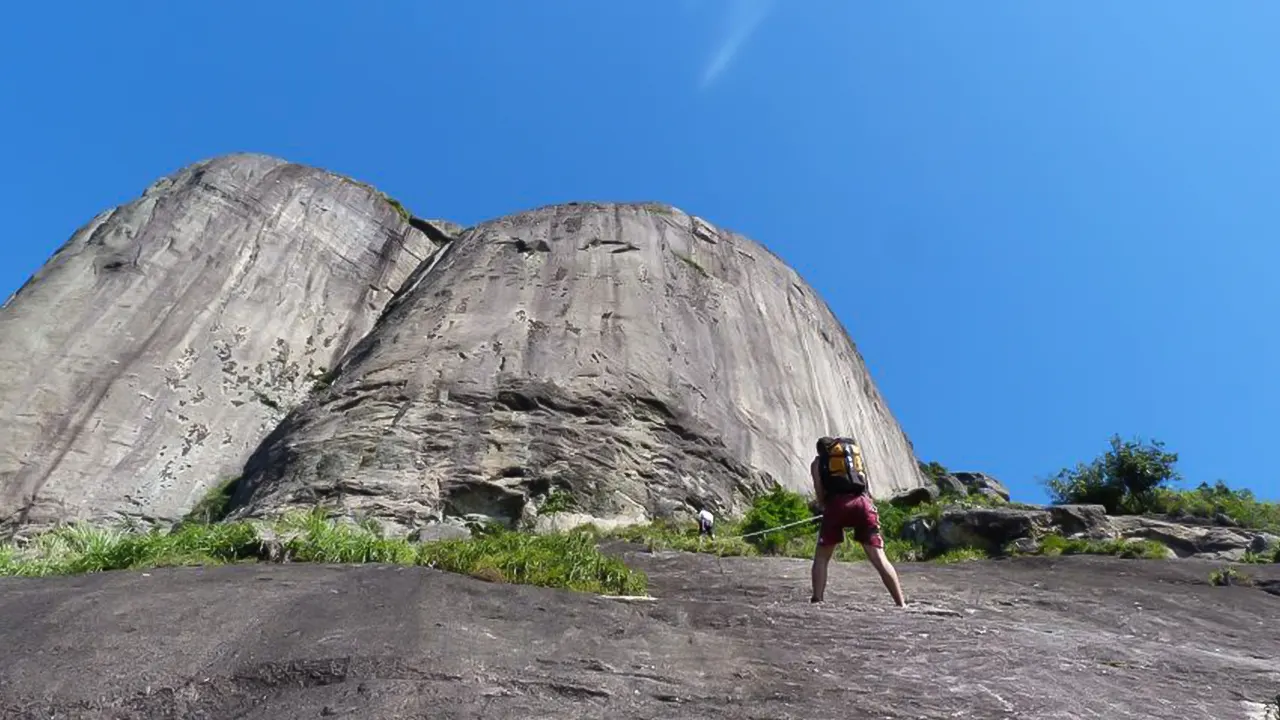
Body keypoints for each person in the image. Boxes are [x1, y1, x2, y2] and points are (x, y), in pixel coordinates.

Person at [809, 436, 906, 607]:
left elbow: (819, 488)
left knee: (822, 557)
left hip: (836, 504)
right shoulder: (851, 459)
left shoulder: (818, 463)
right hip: (863, 504)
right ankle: (901, 603)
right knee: (879, 557)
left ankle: (818, 599)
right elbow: (866, 486)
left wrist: (824, 506)